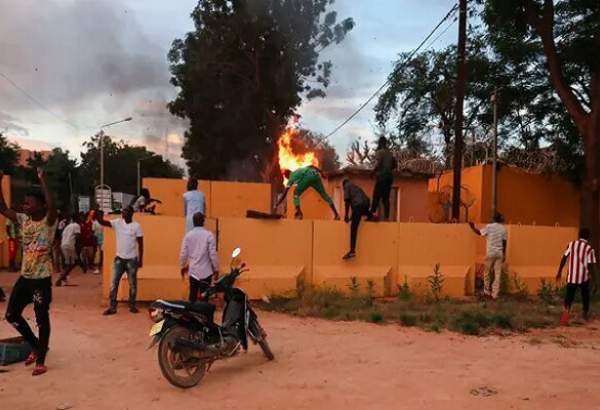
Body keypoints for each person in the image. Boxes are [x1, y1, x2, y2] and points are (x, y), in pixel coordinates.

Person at [0, 168, 57, 376]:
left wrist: (43, 180)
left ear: (40, 205)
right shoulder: (23, 220)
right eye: (24, 203)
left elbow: (52, 206)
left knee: (42, 319)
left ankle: (40, 360)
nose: (25, 205)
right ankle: (36, 346)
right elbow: (2, 208)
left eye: (28, 202)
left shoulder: (48, 221)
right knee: (11, 315)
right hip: (25, 278)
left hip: (41, 280)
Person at [97, 206, 144, 315]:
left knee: (132, 284)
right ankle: (112, 307)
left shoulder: (137, 226)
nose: (124, 213)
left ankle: (132, 305)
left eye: (127, 211)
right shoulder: (117, 223)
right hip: (119, 258)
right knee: (114, 283)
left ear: (132, 213)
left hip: (132, 259)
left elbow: (141, 244)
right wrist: (98, 214)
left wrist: (141, 260)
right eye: (123, 211)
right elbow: (103, 222)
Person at [556, 228, 597, 325]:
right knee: (585, 295)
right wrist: (595, 281)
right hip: (583, 277)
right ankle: (585, 314)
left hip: (572, 276)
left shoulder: (571, 244)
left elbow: (564, 258)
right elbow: (591, 266)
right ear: (588, 236)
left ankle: (566, 313)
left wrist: (559, 271)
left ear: (579, 235)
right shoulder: (589, 248)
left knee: (569, 295)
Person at [180, 212, 219, 302]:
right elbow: (213, 254)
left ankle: (192, 314)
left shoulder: (188, 236)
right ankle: (203, 315)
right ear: (203, 222)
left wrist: (182, 266)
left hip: (193, 271)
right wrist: (216, 268)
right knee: (204, 297)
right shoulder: (209, 235)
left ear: (193, 222)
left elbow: (183, 254)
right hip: (206, 272)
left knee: (192, 295)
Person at [468, 213, 507, 299]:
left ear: (493, 219)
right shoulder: (503, 229)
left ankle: (486, 292)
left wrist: (472, 227)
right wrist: (504, 254)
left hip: (490, 253)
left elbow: (479, 233)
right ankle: (495, 294)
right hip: (499, 253)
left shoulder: (489, 227)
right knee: (497, 274)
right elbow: (504, 243)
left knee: (487, 272)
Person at [342, 180, 374, 260]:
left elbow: (347, 203)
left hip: (358, 206)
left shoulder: (347, 186)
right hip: (366, 204)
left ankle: (352, 251)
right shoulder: (356, 187)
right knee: (360, 213)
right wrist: (351, 217)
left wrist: (346, 216)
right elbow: (357, 204)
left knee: (353, 228)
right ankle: (371, 216)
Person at [370, 136, 396, 221]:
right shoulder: (390, 153)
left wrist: (372, 173)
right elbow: (395, 165)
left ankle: (372, 215)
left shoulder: (380, 152)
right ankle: (386, 217)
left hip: (382, 177)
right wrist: (388, 168)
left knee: (376, 196)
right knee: (386, 198)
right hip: (389, 178)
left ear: (380, 143)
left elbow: (378, 164)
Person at [55, 214, 81, 287]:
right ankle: (60, 278)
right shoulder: (77, 225)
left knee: (70, 263)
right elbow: (77, 236)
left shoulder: (68, 226)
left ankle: (63, 277)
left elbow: (62, 235)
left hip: (64, 245)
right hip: (70, 246)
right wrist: (78, 247)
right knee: (71, 264)